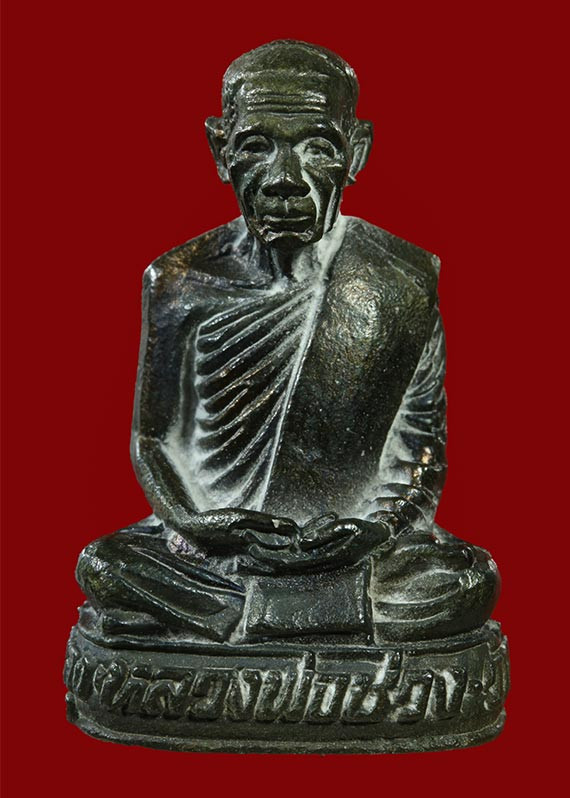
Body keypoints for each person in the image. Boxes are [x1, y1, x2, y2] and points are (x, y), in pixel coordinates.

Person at [77, 40, 499, 645]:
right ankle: (314, 618)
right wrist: (199, 524)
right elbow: (154, 439)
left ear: (356, 152)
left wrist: (379, 530)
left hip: (350, 550)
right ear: (219, 151)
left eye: (317, 148)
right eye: (256, 146)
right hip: (219, 551)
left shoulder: (402, 280)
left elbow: (420, 446)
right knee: (105, 564)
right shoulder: (178, 283)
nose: (285, 180)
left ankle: (239, 619)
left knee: (467, 579)